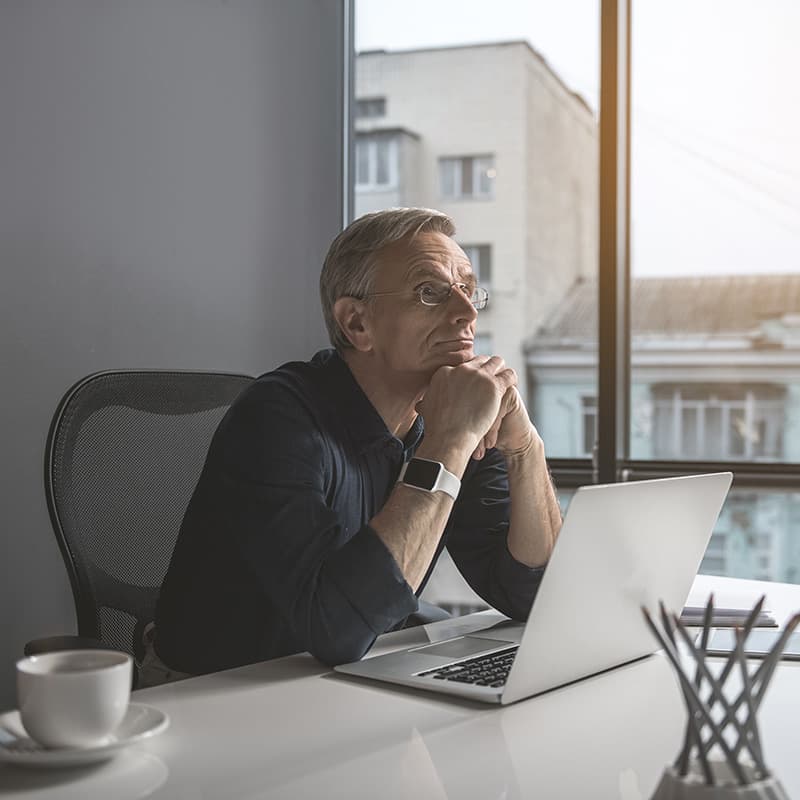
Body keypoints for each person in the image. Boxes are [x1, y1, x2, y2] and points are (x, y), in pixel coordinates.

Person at [145, 207, 562, 685]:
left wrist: (524, 446)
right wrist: (448, 443)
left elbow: (534, 596)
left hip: (351, 677)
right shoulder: (275, 418)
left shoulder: (451, 417)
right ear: (357, 323)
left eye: (468, 290)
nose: (467, 313)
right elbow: (336, 628)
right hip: (215, 694)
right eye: (431, 292)